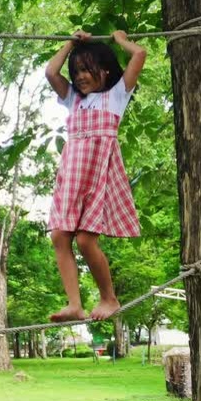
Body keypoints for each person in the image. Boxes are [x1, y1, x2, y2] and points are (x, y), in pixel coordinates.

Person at [46, 29, 147, 322]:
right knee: (58, 235)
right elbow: (51, 71)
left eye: (85, 69)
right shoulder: (72, 100)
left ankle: (109, 297)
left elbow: (139, 54)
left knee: (86, 241)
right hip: (71, 177)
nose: (79, 76)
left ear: (104, 71)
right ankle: (74, 304)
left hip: (98, 176)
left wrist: (119, 40)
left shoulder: (117, 95)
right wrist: (70, 43)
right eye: (76, 71)